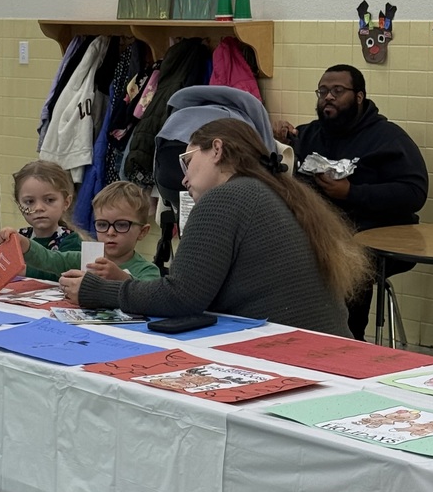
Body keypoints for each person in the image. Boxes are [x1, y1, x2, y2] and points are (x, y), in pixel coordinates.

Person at [59, 119, 372, 337]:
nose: (183, 177)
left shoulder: (225, 198)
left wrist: (100, 290)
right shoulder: (276, 191)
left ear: (217, 150)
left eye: (188, 160)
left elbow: (181, 298)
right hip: (325, 349)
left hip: (288, 358)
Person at [272, 64, 428, 340]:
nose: (328, 97)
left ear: (359, 97)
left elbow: (414, 192)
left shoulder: (387, 138)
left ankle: (347, 340)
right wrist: (272, 138)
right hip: (319, 234)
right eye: (322, 91)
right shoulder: (308, 135)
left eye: (337, 91)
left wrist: (351, 193)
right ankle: (291, 339)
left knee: (345, 263)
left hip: (375, 237)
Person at [0, 180, 160, 281]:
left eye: (122, 225)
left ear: (142, 232)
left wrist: (121, 278)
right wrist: (24, 244)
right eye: (102, 225)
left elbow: (150, 295)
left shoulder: (147, 270)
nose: (110, 232)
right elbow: (50, 259)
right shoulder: (85, 259)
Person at [10, 160, 83, 282]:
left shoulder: (70, 241)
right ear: (19, 205)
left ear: (66, 202)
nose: (39, 208)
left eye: (49, 200)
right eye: (29, 202)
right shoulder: (20, 236)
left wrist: (25, 271)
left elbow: (65, 274)